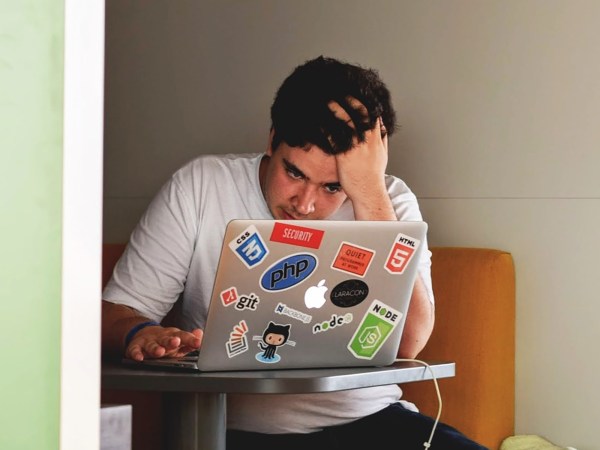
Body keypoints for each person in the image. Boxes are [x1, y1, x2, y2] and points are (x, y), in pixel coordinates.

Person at [102, 56, 487, 450]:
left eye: (333, 188)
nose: (305, 204)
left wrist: (370, 192)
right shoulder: (201, 186)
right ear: (272, 140)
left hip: (370, 422)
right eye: (295, 173)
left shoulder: (389, 202)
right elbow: (113, 313)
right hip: (230, 433)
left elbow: (410, 343)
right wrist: (141, 333)